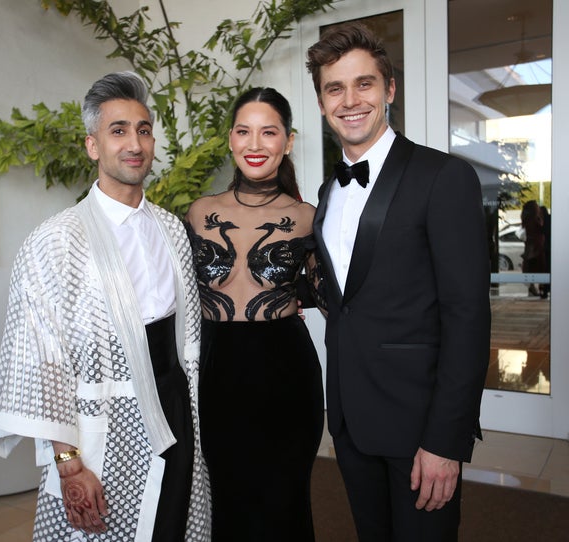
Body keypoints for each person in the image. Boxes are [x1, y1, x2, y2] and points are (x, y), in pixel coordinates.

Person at [0, 71, 210, 541]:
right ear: (93, 146)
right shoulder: (55, 242)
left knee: (171, 522)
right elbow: (42, 358)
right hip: (101, 422)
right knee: (104, 528)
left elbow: (187, 335)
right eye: (118, 130)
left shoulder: (171, 230)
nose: (134, 143)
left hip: (174, 403)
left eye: (143, 130)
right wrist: (68, 464)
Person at [305, 21, 491, 542]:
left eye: (363, 83)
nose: (349, 100)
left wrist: (446, 440)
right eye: (334, 88)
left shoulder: (443, 177)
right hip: (348, 421)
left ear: (389, 89)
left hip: (419, 428)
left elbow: (468, 317)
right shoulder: (327, 192)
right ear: (322, 103)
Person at [184, 87, 325, 541]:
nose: (255, 144)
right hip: (215, 371)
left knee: (283, 501)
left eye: (269, 132)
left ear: (287, 141)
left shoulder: (307, 216)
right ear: (230, 139)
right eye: (244, 131)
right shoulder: (199, 212)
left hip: (286, 371)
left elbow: (335, 297)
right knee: (224, 499)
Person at [520, 200, 546, 298]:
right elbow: (540, 228)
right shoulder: (535, 219)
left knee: (532, 267)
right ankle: (540, 287)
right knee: (540, 266)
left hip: (531, 245)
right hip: (536, 246)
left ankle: (533, 287)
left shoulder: (527, 219)